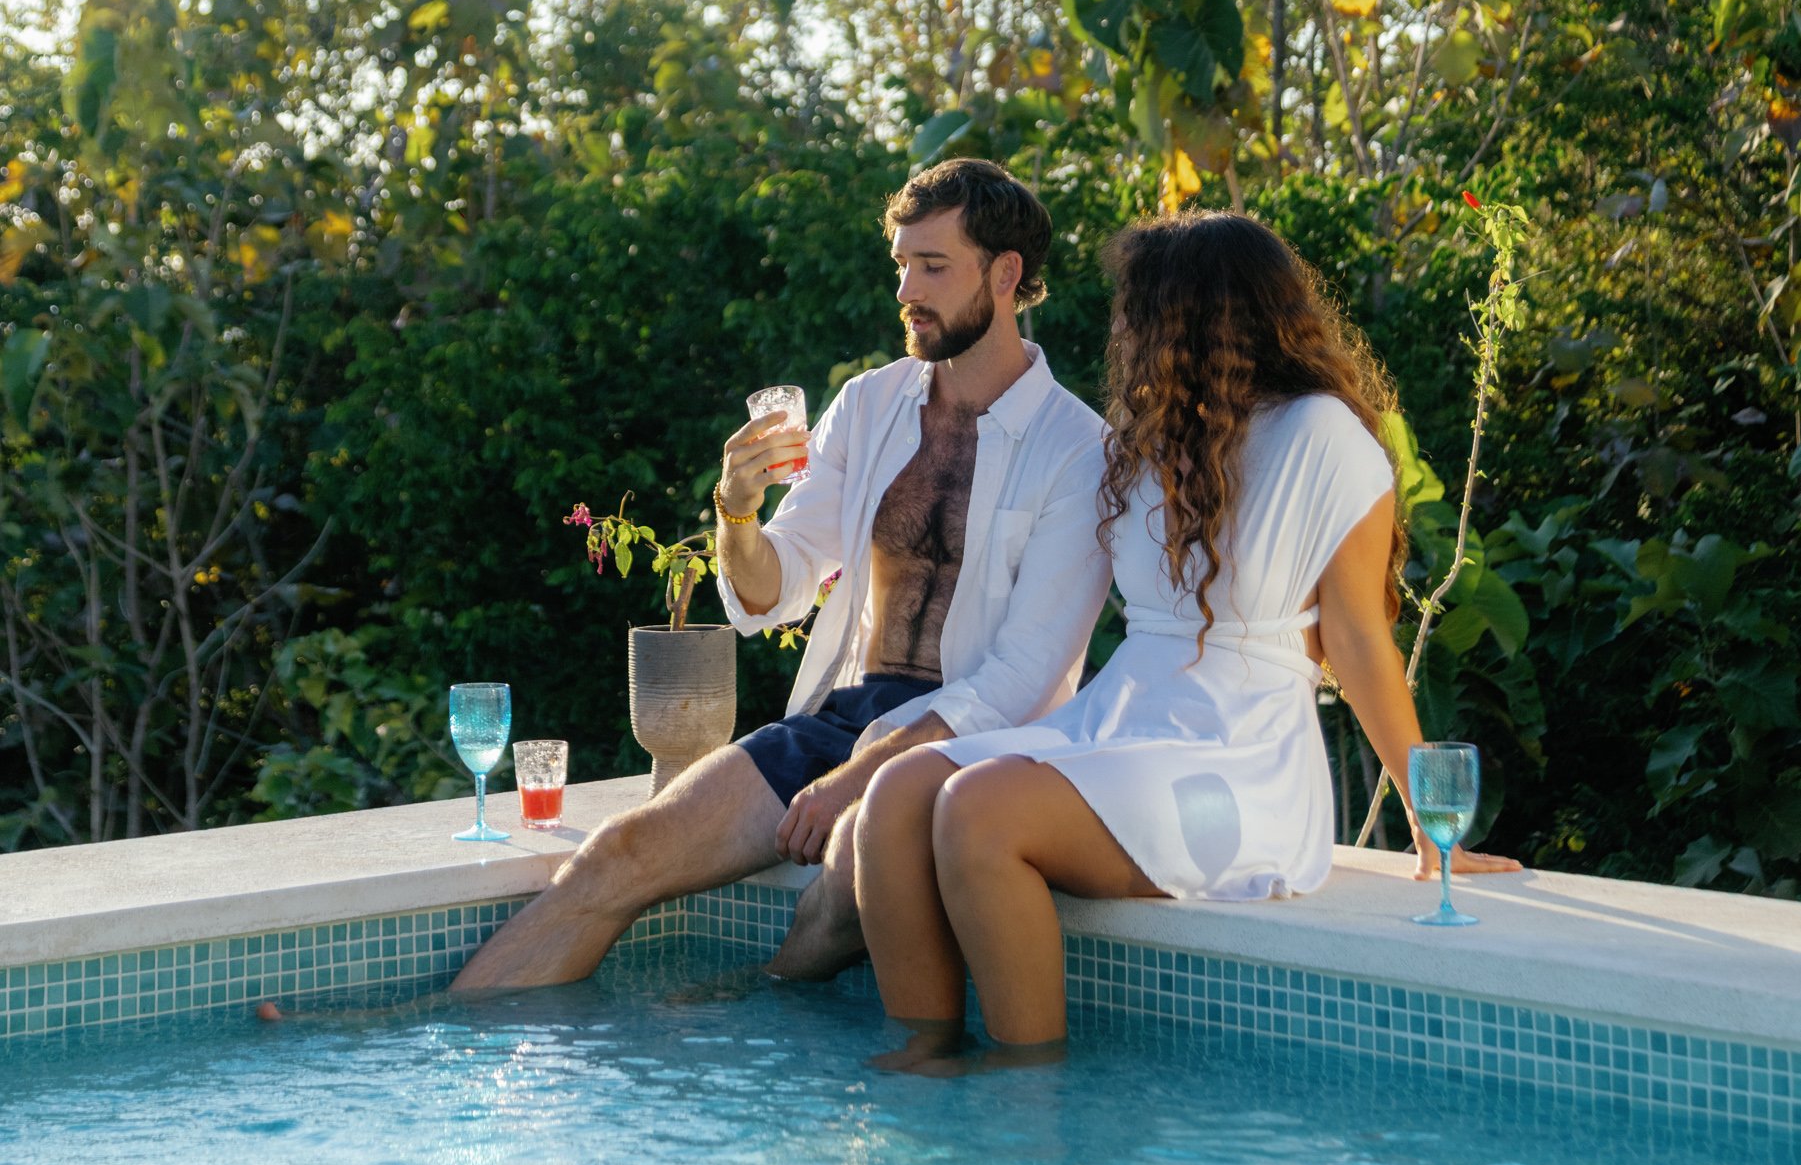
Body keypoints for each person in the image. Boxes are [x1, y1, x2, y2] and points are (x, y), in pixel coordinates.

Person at [853, 210, 1522, 1066]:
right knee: (897, 794)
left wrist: (1435, 830)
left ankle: (1025, 1102)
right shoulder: (1157, 435)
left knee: (978, 813)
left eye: (1143, 310)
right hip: (1127, 719)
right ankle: (924, 1064)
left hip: (1237, 764)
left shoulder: (1323, 435)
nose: (1126, 331)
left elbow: (1354, 639)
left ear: (1203, 316)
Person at [450, 156, 1109, 994]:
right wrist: (734, 512)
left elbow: (1021, 678)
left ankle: (751, 1011)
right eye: (901, 263)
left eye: (933, 266)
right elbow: (774, 591)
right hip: (852, 713)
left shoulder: (1078, 451)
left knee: (841, 891)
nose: (907, 288)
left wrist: (860, 778)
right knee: (621, 850)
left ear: (1007, 274)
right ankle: (438, 1031)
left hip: (977, 753)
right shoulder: (868, 405)